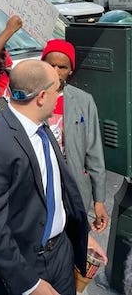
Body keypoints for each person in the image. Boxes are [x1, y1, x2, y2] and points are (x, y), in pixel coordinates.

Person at [0, 59, 107, 295]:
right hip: (25, 265)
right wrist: (29, 284)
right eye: (57, 89)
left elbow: (58, 189)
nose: (60, 96)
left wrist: (81, 235)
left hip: (61, 256)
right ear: (42, 96)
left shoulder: (41, 127)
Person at [41, 39, 109, 232]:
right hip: (41, 189)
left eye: (62, 67)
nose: (55, 70)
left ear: (71, 70)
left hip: (74, 189)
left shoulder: (83, 101)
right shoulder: (31, 98)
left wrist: (99, 200)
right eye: (50, 64)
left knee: (75, 242)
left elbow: (94, 152)